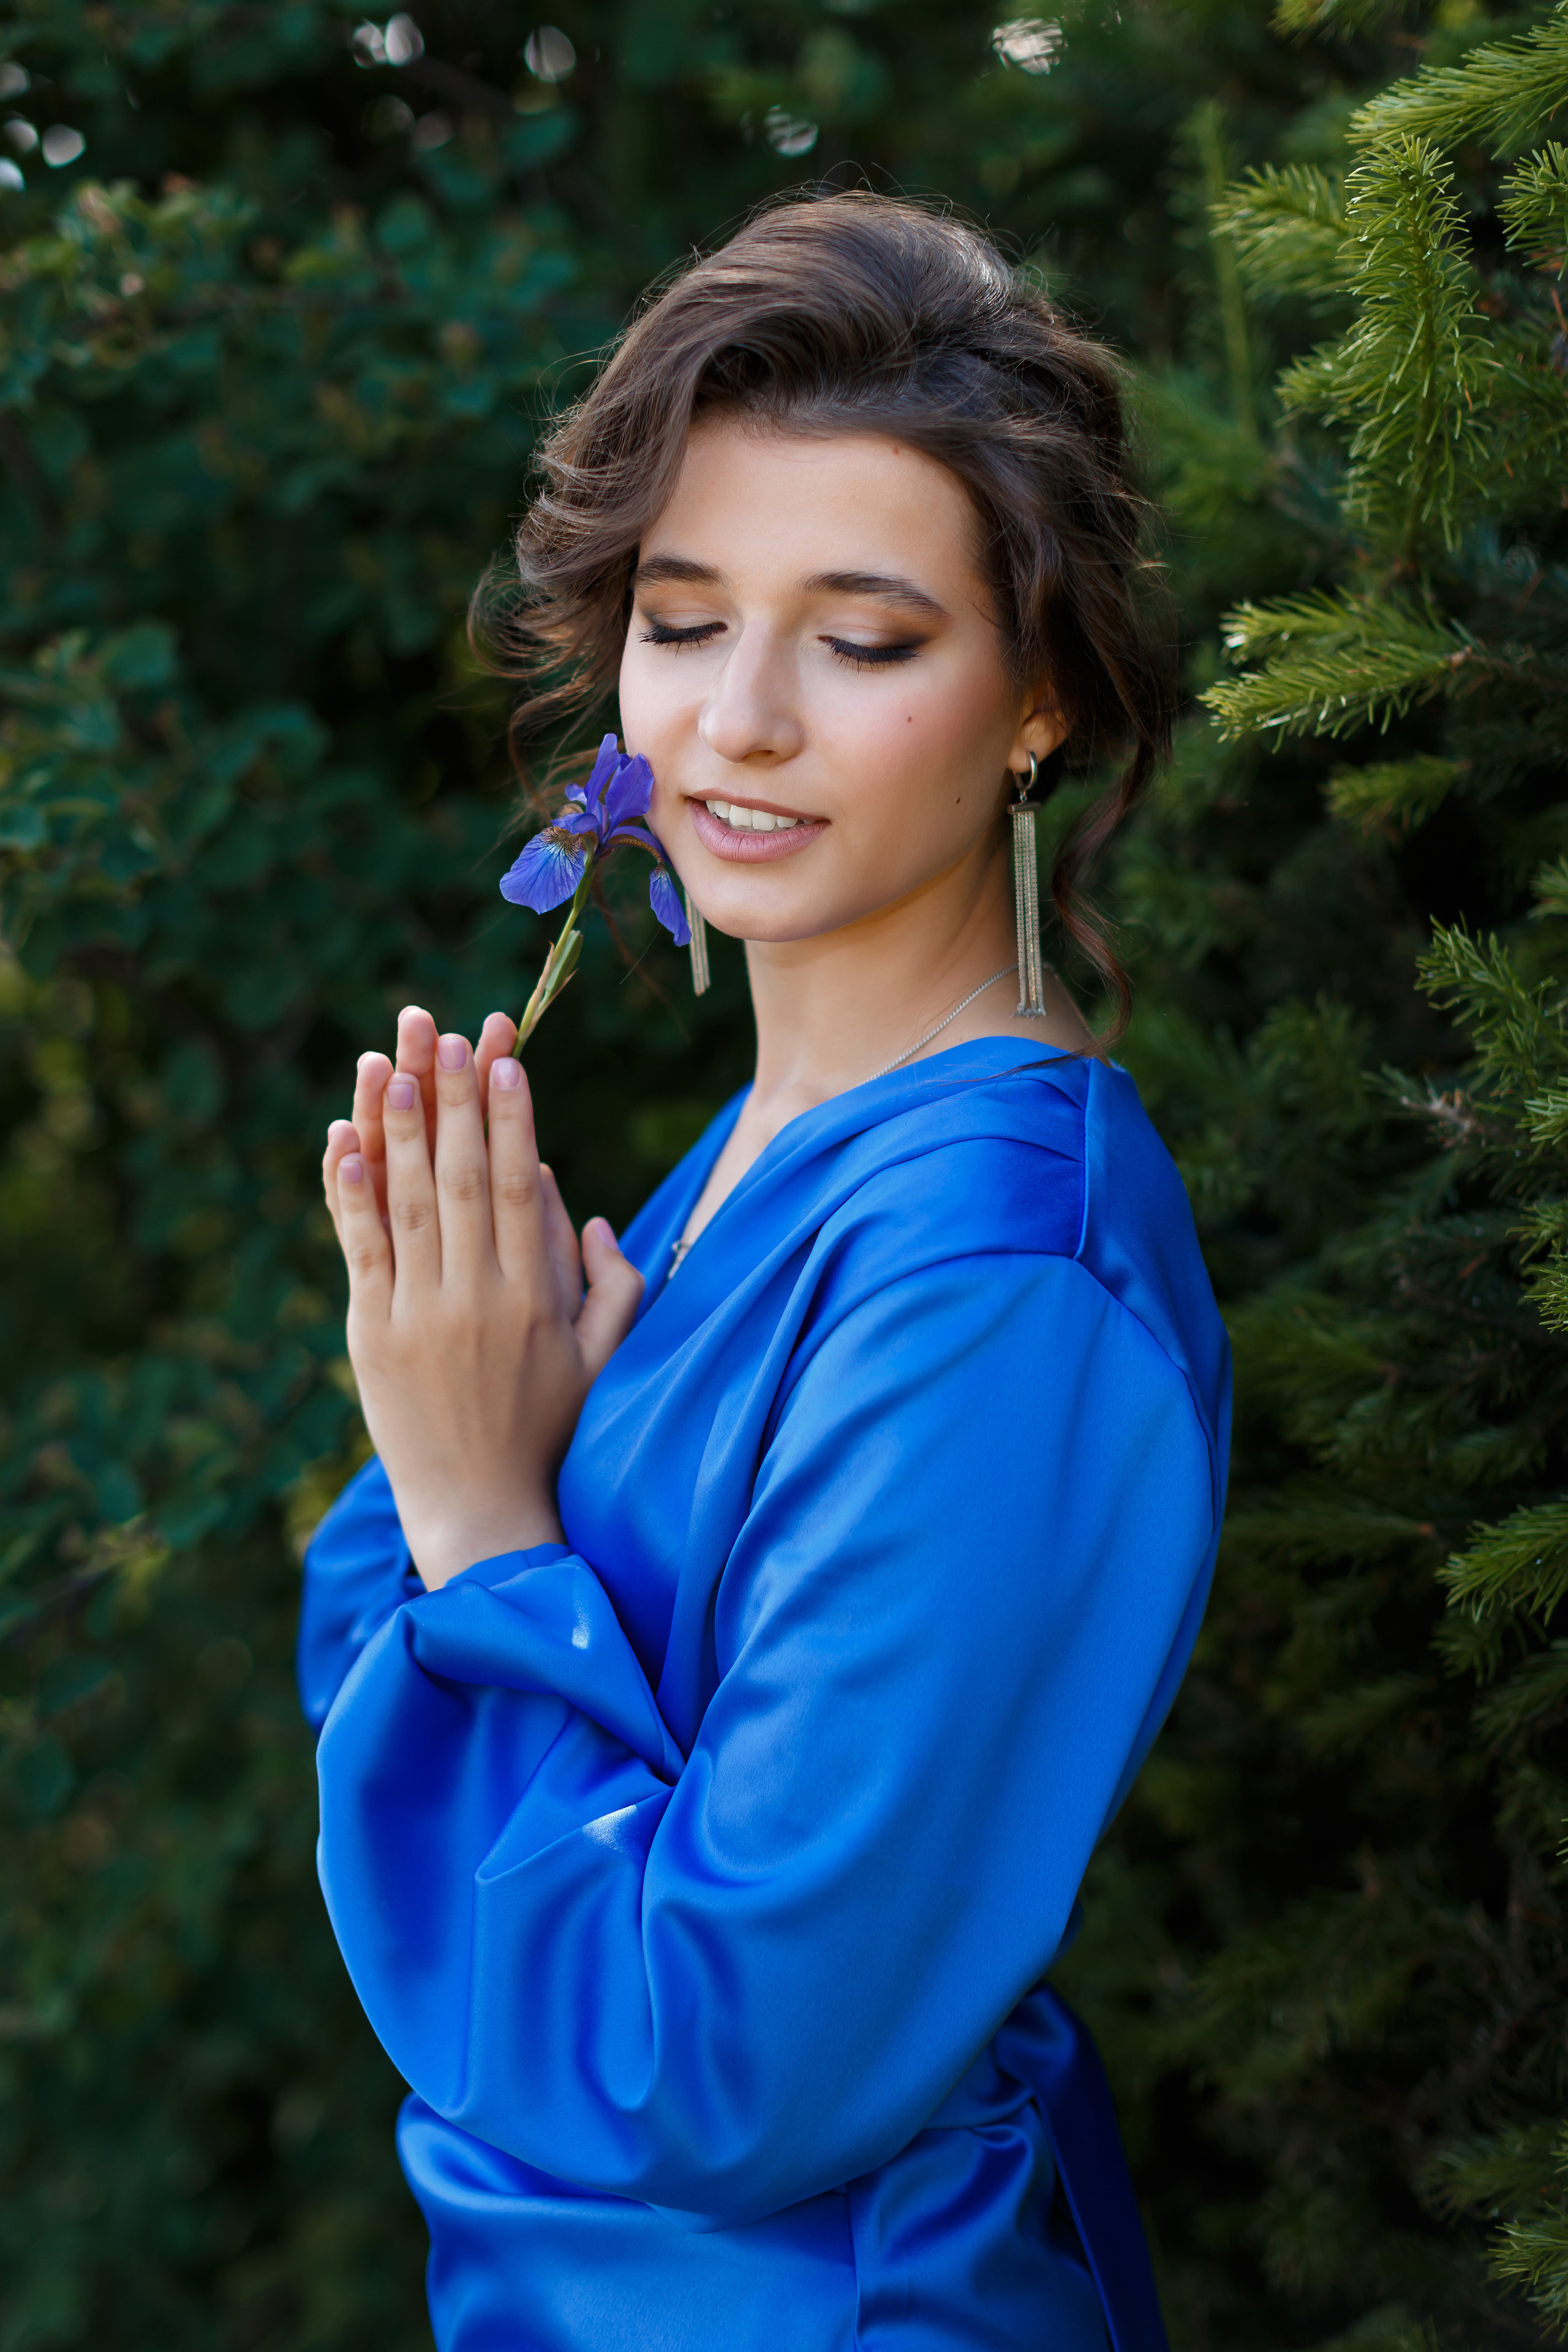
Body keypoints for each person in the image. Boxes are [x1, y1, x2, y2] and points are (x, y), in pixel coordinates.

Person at [298, 193, 1230, 2352]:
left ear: (1041, 700)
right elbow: (391, 1719)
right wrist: (456, 1446)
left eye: (867, 636)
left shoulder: (1006, 1272)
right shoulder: (749, 1155)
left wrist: (474, 1508)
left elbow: (702, 2056)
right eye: (687, 617)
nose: (738, 721)